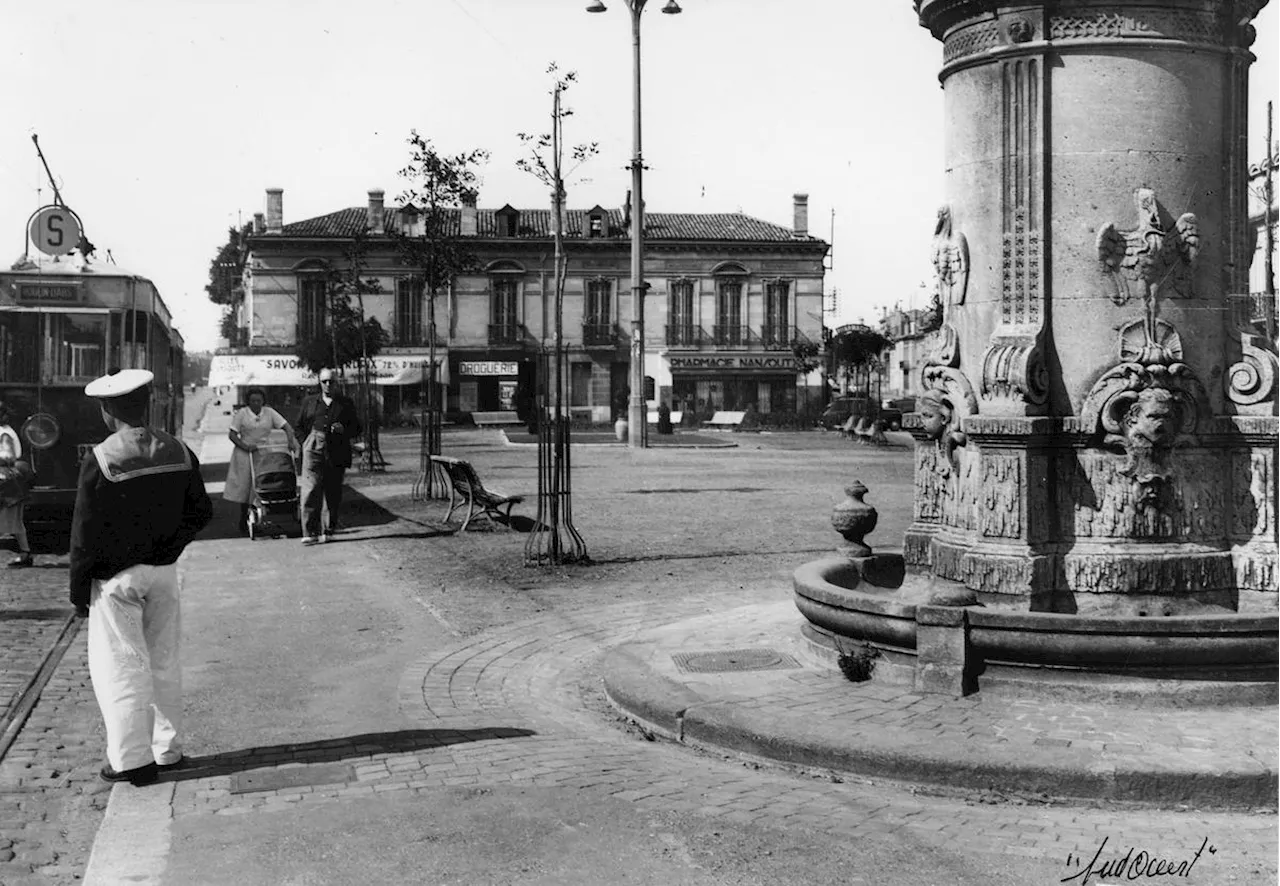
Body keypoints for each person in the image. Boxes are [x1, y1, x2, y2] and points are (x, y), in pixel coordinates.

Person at [70, 369, 213, 786]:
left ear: (107, 410)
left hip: (118, 582)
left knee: (122, 666)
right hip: (165, 574)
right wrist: (171, 547)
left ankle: (131, 760)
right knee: (165, 661)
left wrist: (80, 591)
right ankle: (167, 751)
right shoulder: (178, 450)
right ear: (147, 402)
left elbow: (84, 534)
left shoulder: (101, 459)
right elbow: (201, 513)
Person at [294, 368, 361, 545]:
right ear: (320, 382)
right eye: (325, 381)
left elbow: (357, 428)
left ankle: (328, 529)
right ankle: (309, 531)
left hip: (336, 450)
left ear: (336, 382)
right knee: (310, 489)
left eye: (331, 381)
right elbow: (298, 427)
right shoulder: (310, 402)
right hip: (313, 448)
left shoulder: (345, 403)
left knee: (332, 491)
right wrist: (306, 442)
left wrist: (344, 430)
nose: (328, 384)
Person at [223, 387, 296, 534]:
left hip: (263, 452)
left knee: (265, 481)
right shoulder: (242, 414)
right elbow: (232, 434)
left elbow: (287, 427)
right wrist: (245, 446)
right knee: (246, 486)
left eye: (259, 401)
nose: (256, 404)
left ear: (263, 401)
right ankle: (244, 518)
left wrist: (290, 441)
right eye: (253, 401)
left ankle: (266, 513)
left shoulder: (269, 413)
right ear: (248, 402)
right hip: (245, 453)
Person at [0, 403, 34, 567]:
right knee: (15, 521)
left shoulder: (4, 433)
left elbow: (8, 456)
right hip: (10, 483)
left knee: (11, 519)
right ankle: (25, 553)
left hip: (8, 484)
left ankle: (25, 554)